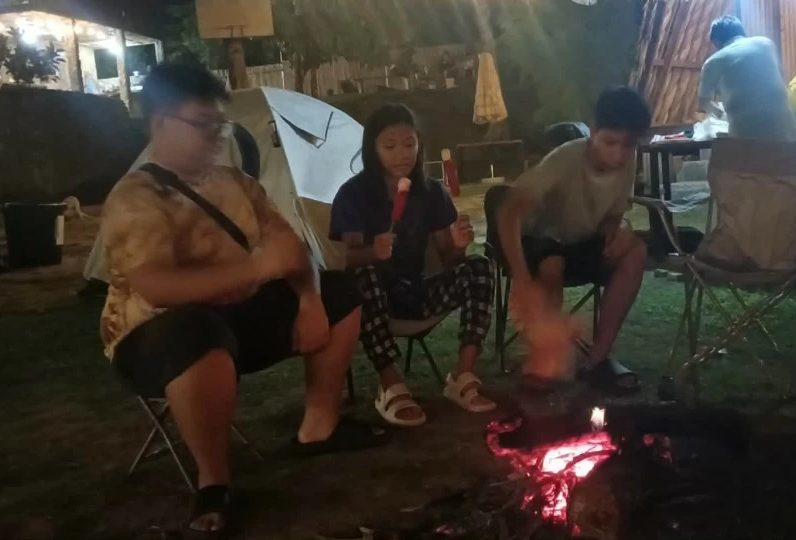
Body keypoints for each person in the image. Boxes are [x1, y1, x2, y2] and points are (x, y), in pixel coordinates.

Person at [99, 64, 387, 535]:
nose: (217, 136)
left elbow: (291, 250)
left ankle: (319, 427)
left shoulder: (236, 183)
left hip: (234, 317)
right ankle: (214, 482)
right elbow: (156, 287)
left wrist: (309, 301)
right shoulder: (136, 197)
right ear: (160, 125)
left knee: (339, 290)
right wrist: (255, 269)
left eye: (222, 125)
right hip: (151, 336)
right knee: (194, 328)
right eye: (204, 125)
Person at [330, 104, 497, 427]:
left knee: (479, 267)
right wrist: (373, 251)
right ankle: (390, 382)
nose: (401, 154)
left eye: (409, 143)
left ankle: (462, 376)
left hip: (419, 289)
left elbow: (448, 259)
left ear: (420, 144)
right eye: (389, 146)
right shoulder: (354, 194)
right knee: (363, 276)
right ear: (372, 148)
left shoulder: (431, 191)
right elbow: (348, 259)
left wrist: (459, 247)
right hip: (374, 302)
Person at [497, 87, 651, 396]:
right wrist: (522, 279)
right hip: (538, 241)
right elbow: (508, 212)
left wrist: (619, 228)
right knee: (553, 263)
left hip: (581, 242)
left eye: (628, 145)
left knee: (636, 252)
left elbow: (613, 213)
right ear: (592, 131)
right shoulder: (565, 159)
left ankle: (597, 360)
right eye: (610, 142)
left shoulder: (628, 161)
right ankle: (545, 362)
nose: (618, 154)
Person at [697, 15, 796, 142]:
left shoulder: (713, 62)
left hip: (748, 141)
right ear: (741, 31)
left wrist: (720, 113)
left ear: (716, 40)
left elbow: (704, 102)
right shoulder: (766, 44)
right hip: (787, 134)